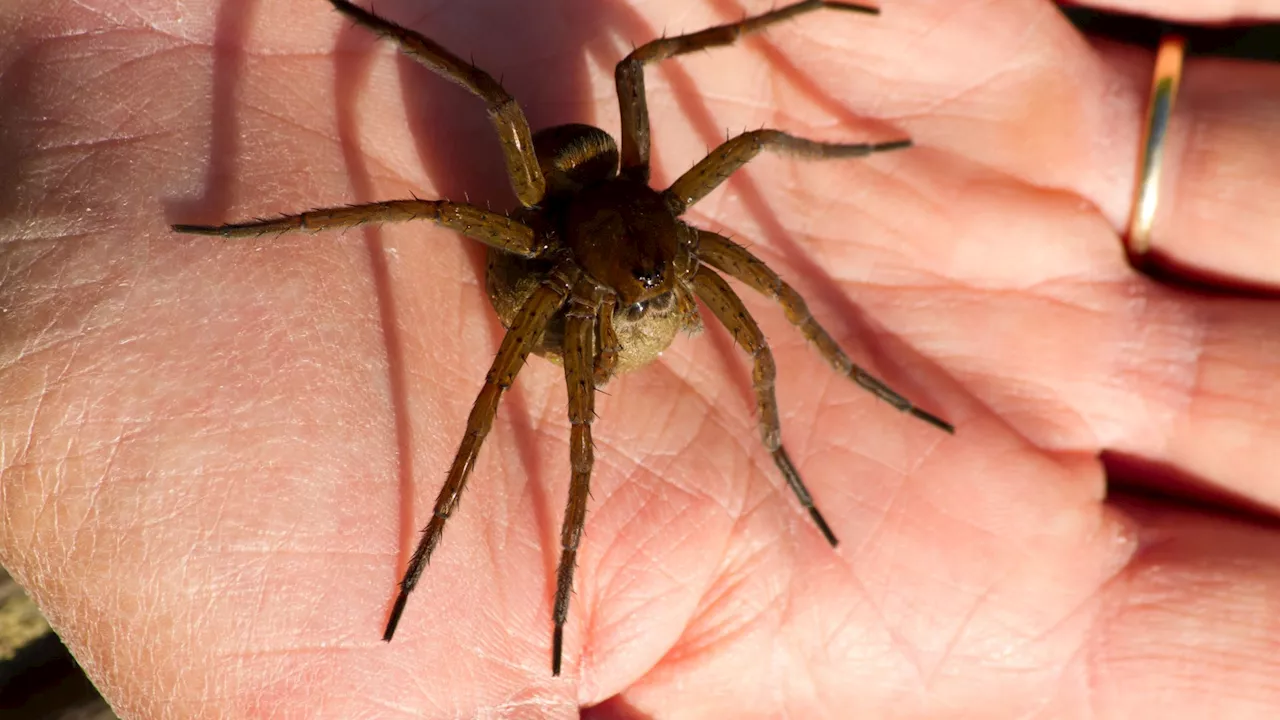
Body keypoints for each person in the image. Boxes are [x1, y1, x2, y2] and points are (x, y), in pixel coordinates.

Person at [0, 0, 1277, 716]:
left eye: (672, 248)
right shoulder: (549, 261)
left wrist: (820, 391)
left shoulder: (682, 231)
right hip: (549, 251)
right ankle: (455, 501)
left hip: (611, 218)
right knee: (548, 346)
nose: (672, 271)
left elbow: (697, 113)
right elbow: (478, 156)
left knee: (762, 306)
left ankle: (821, 421)